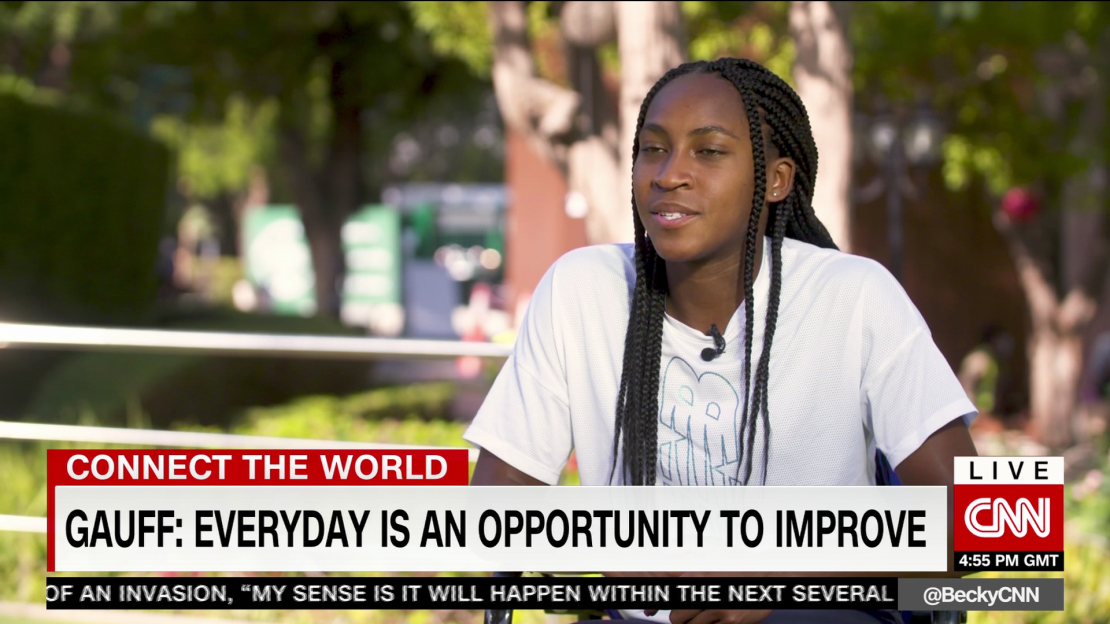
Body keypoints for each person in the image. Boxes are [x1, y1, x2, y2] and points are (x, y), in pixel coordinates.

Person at [465, 58, 978, 624]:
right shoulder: (580, 290)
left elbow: (988, 526)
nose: (669, 174)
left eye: (708, 151)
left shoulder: (856, 297)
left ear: (776, 179)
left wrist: (781, 577)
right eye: (653, 149)